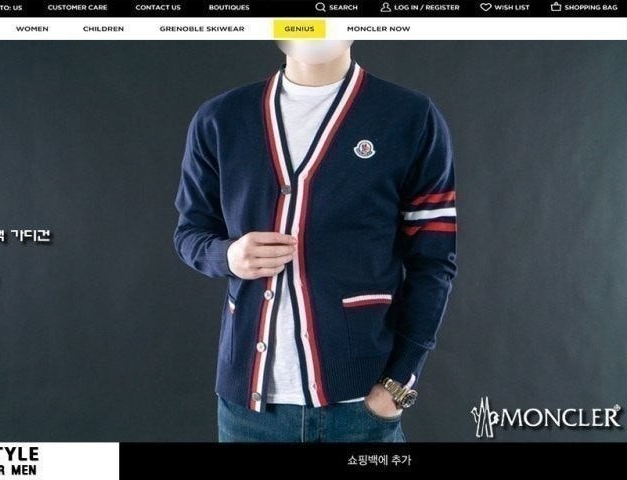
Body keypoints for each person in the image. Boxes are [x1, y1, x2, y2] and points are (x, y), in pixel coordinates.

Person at [173, 40, 457, 442]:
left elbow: (434, 261)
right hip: (247, 412)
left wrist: (399, 381)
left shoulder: (409, 116)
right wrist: (228, 256)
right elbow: (190, 232)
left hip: (361, 406)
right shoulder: (220, 118)